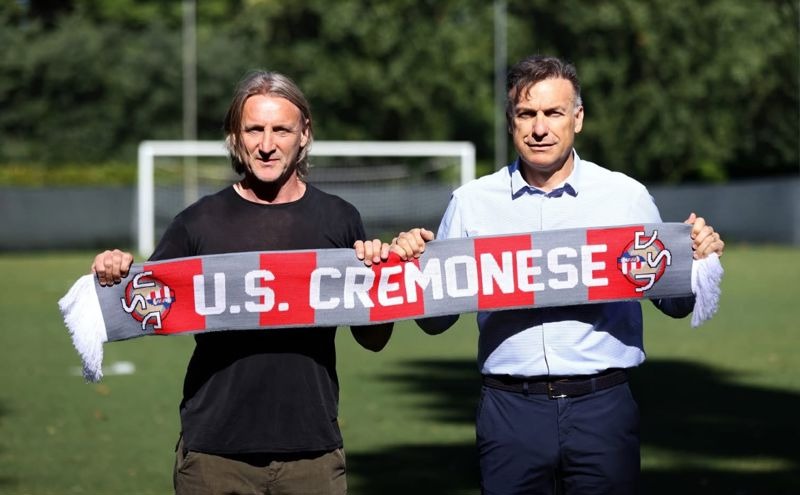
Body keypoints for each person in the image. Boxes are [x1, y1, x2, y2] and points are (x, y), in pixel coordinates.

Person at [387, 55, 726, 494]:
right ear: (510, 121)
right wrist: (414, 267)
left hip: (602, 409)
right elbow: (436, 321)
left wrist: (695, 260)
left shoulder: (625, 197)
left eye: (553, 113)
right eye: (526, 114)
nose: (539, 128)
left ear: (577, 118)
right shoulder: (471, 202)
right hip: (510, 412)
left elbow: (674, 303)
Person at [92, 70, 393, 495]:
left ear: (304, 134)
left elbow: (374, 339)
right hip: (214, 457)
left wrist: (380, 276)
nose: (267, 145)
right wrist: (114, 272)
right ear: (235, 136)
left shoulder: (339, 219)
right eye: (254, 129)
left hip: (313, 454)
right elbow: (144, 304)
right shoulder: (198, 222)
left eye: (281, 130)